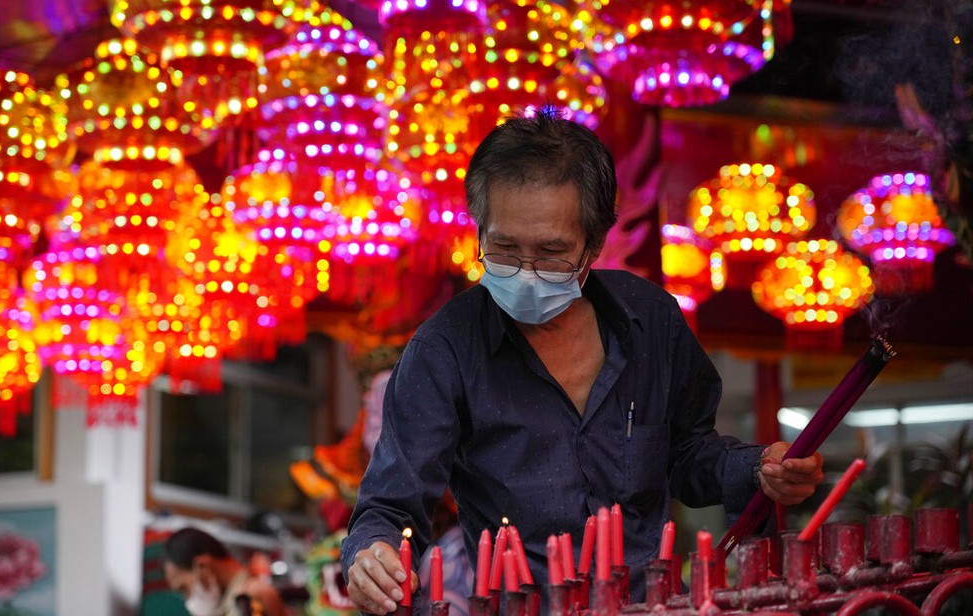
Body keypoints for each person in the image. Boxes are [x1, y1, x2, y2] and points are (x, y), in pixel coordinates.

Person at [340, 108, 824, 614]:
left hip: (647, 607)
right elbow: (391, 504)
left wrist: (756, 470)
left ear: (594, 244)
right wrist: (372, 554)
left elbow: (687, 454)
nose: (526, 273)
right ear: (479, 231)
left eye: (551, 253)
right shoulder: (444, 350)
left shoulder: (651, 322)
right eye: (503, 249)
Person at [163, 526, 288, 616]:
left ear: (202, 567)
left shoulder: (247, 599)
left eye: (184, 588)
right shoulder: (232, 602)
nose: (187, 600)